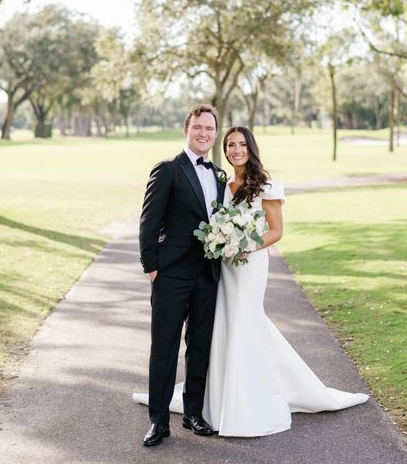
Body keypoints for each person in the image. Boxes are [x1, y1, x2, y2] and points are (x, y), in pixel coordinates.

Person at [135, 124, 369, 438]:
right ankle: (208, 405)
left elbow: (276, 231)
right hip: (222, 268)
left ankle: (243, 403)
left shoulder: (266, 185)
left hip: (248, 264)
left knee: (244, 324)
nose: (236, 150)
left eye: (241, 144)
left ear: (251, 147)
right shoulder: (223, 181)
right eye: (230, 145)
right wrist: (154, 263)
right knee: (220, 330)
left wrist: (241, 244)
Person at [138, 104, 226, 447]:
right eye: (198, 128)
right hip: (171, 275)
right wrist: (151, 266)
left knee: (200, 345)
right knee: (164, 347)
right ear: (186, 130)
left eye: (210, 128)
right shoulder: (168, 169)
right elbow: (149, 221)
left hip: (207, 274)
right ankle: (159, 421)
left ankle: (193, 413)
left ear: (215, 133)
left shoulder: (219, 175)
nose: (204, 133)